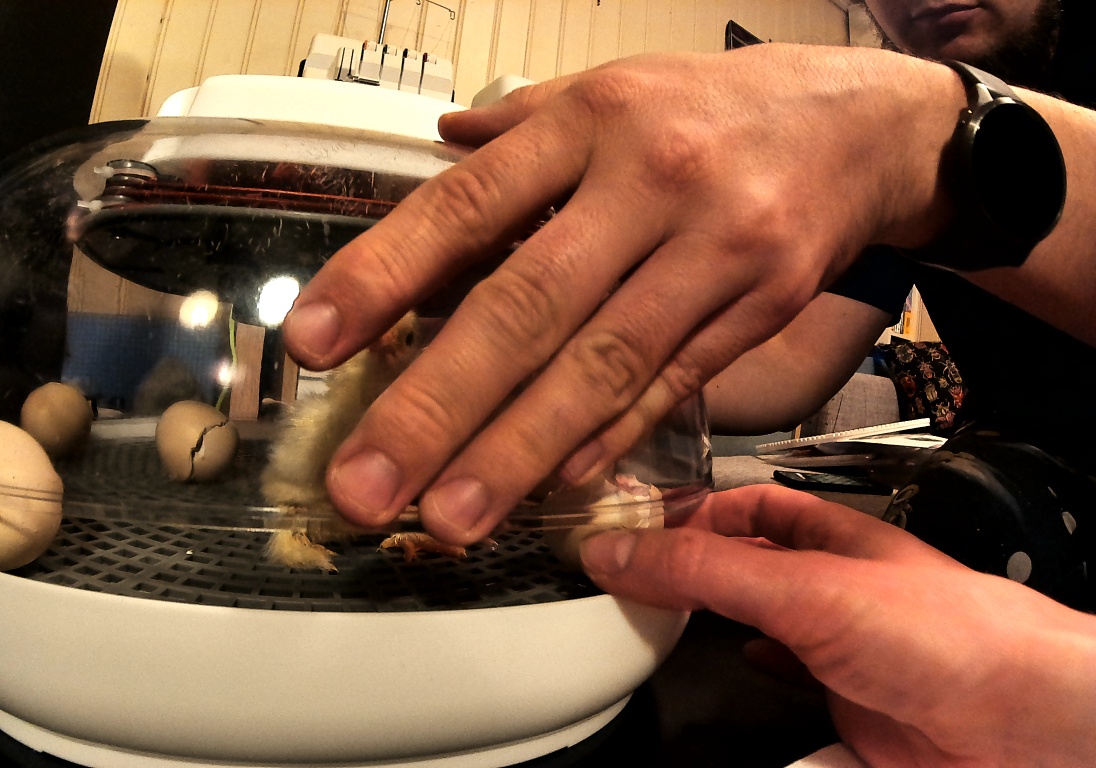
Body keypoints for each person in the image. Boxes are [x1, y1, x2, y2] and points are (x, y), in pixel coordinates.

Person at [281, 1, 1096, 764]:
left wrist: (925, 136)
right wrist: (557, 351)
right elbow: (787, 360)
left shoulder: (915, 116)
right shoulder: (893, 171)